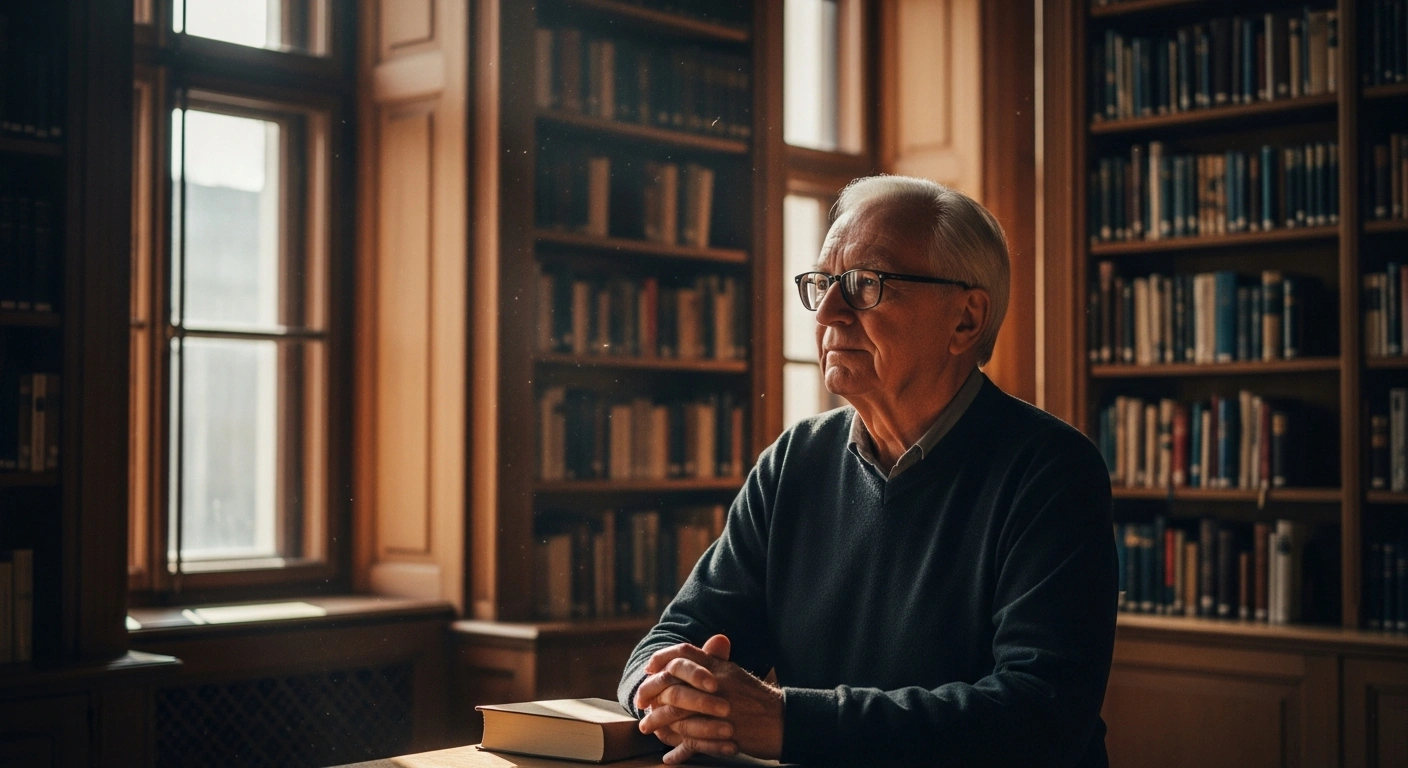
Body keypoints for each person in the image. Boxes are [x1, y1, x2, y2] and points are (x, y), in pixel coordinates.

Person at [617, 175, 1117, 767]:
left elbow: (1038, 714)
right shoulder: (793, 462)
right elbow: (672, 639)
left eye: (864, 284)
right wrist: (664, 690)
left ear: (966, 319)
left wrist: (787, 721)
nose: (828, 311)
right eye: (824, 283)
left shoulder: (1052, 471)